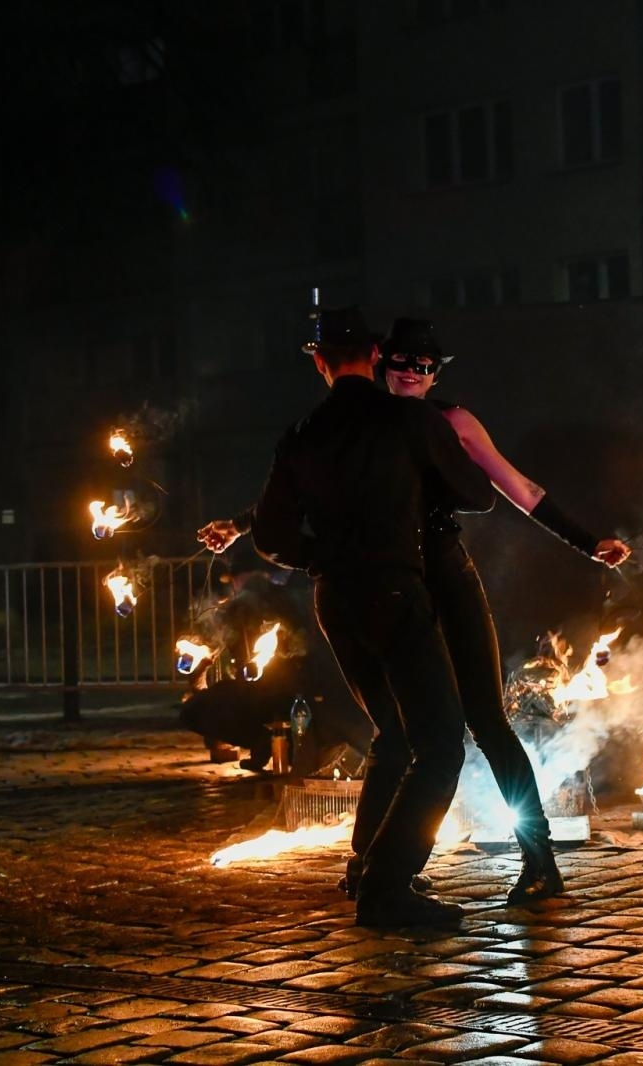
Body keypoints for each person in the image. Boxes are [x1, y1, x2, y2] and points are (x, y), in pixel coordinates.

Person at [200, 319, 632, 906]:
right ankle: (373, 866)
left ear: (436, 373)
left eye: (426, 366)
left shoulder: (448, 421)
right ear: (380, 362)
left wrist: (586, 542)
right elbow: (324, 482)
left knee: (485, 720)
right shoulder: (372, 422)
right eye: (403, 363)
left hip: (443, 575)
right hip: (387, 579)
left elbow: (514, 488)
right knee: (397, 733)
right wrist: (241, 521)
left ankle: (539, 862)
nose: (413, 373)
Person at [252, 305, 495, 927]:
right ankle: (388, 887)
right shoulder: (406, 418)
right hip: (394, 591)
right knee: (440, 744)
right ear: (378, 357)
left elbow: (271, 535)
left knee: (393, 732)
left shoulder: (301, 434)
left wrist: (325, 556)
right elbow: (477, 493)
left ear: (319, 361)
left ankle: (365, 866)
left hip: (335, 598)